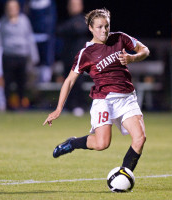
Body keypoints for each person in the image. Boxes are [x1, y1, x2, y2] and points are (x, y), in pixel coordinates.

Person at [43, 8, 149, 173]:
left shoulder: (120, 38)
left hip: (127, 98)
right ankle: (73, 143)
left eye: (106, 26)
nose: (104, 30)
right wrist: (58, 109)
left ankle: (123, 176)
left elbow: (145, 50)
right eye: (99, 27)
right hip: (104, 100)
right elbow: (69, 80)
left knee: (140, 138)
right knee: (102, 144)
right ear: (90, 28)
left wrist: (132, 57)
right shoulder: (86, 53)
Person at [0, 0, 39, 110]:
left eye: (14, 7)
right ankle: (7, 105)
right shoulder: (3, 21)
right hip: (8, 56)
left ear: (18, 8)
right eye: (9, 7)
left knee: (22, 82)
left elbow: (29, 39)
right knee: (8, 82)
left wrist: (34, 56)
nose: (11, 9)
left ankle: (21, 105)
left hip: (22, 56)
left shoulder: (24, 21)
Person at [56, 0, 88, 115]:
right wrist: (71, 28)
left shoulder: (85, 20)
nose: (73, 7)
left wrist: (69, 28)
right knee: (66, 82)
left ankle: (79, 105)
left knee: (78, 82)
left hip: (79, 58)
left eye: (75, 5)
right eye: (71, 5)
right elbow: (59, 30)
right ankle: (69, 106)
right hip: (67, 57)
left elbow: (80, 29)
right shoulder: (68, 21)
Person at [26, 0, 57, 82]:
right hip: (33, 38)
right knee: (34, 62)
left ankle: (45, 86)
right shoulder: (30, 4)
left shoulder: (49, 3)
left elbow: (52, 20)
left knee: (46, 63)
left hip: (46, 37)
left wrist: (48, 32)